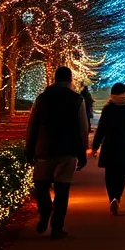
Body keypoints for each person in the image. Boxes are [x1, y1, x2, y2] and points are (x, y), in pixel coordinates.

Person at [24, 66, 89, 240]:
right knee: (62, 189)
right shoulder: (77, 100)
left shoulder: (42, 99)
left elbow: (32, 126)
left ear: (54, 79)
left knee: (41, 185)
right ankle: (57, 227)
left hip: (44, 150)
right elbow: (83, 129)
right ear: (70, 80)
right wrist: (82, 153)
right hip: (68, 151)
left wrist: (29, 150)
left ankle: (45, 211)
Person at [91, 82, 125, 215]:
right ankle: (117, 198)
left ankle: (111, 197)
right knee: (121, 174)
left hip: (110, 144)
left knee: (110, 173)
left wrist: (95, 147)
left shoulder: (108, 108)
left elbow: (101, 129)